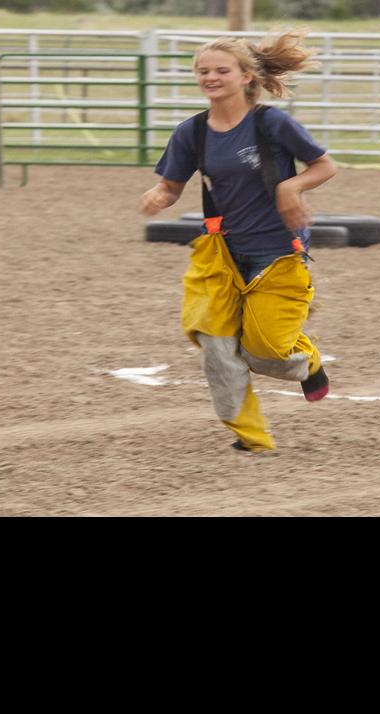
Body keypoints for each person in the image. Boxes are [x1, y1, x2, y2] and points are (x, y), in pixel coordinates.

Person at [139, 31, 338, 454]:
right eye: (202, 70)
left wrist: (291, 189)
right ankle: (252, 437)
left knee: (263, 351)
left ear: (246, 76)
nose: (210, 77)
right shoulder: (192, 132)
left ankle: (307, 361)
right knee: (214, 343)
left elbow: (323, 166)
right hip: (221, 254)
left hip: (278, 252)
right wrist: (161, 196)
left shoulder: (271, 123)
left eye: (220, 70)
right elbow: (172, 185)